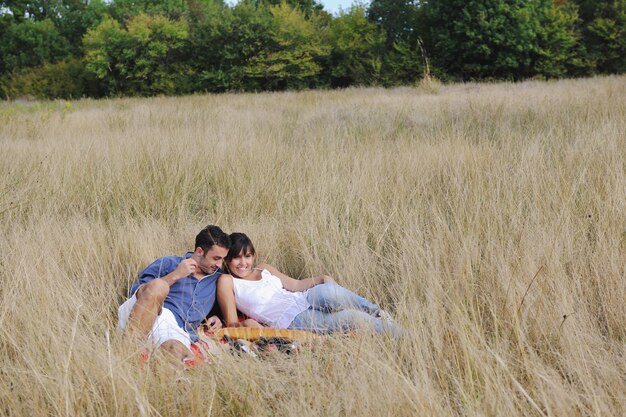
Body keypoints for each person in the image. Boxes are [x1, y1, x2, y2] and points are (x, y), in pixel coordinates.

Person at [217, 232, 402, 338]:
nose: (243, 263)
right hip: (291, 319)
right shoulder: (228, 282)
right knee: (353, 318)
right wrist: (250, 324)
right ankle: (404, 336)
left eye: (247, 256)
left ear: (253, 256)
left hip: (303, 297)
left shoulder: (264, 269)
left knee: (329, 290)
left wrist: (321, 278)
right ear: (227, 260)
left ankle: (379, 313)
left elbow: (296, 285)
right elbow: (232, 322)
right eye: (236, 257)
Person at [118, 225, 231, 361]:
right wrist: (175, 275)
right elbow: (140, 293)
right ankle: (126, 350)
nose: (219, 264)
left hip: (176, 331)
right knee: (159, 285)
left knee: (175, 350)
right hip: (146, 315)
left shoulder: (219, 278)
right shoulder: (168, 263)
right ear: (200, 251)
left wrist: (216, 317)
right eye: (216, 258)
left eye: (222, 259)